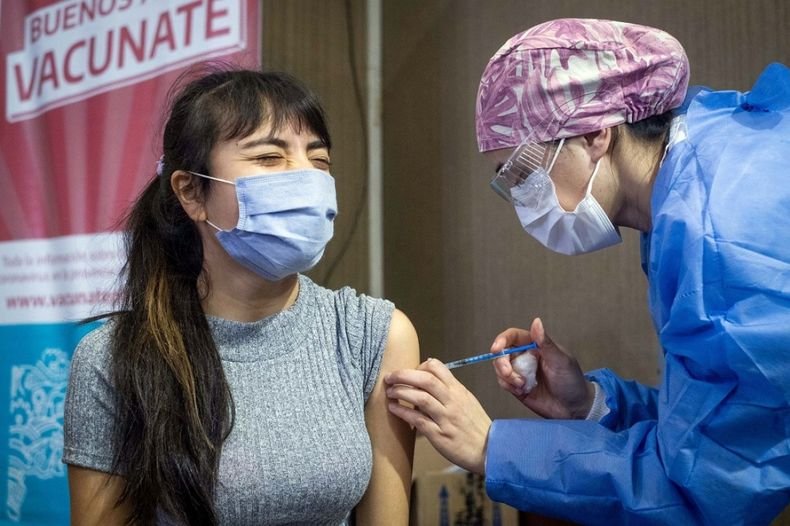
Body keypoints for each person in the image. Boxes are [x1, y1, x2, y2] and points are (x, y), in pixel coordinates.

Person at [384, 18, 790, 525]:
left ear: (597, 131)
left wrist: (491, 446)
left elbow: (704, 493)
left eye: (522, 172)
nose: (522, 199)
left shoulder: (717, 240)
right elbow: (717, 421)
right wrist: (591, 405)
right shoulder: (699, 170)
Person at [63, 66, 419, 525]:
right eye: (269, 157)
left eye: (319, 160)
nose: (305, 177)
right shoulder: (113, 357)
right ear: (191, 192)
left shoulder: (375, 335)